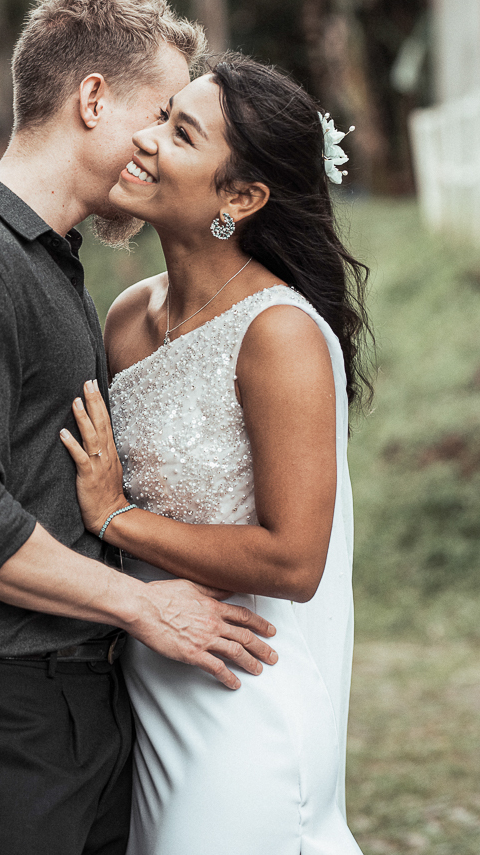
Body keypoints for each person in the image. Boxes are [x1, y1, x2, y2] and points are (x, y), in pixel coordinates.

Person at [0, 0, 278, 855]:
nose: (157, 149)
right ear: (90, 99)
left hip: (66, 705)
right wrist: (143, 609)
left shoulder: (42, 264)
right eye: (158, 115)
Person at [59, 55, 371, 855]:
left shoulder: (280, 334)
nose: (147, 138)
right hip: (144, 692)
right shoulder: (128, 318)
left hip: (243, 705)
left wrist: (117, 518)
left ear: (240, 197)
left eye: (180, 132)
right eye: (161, 117)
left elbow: (294, 561)